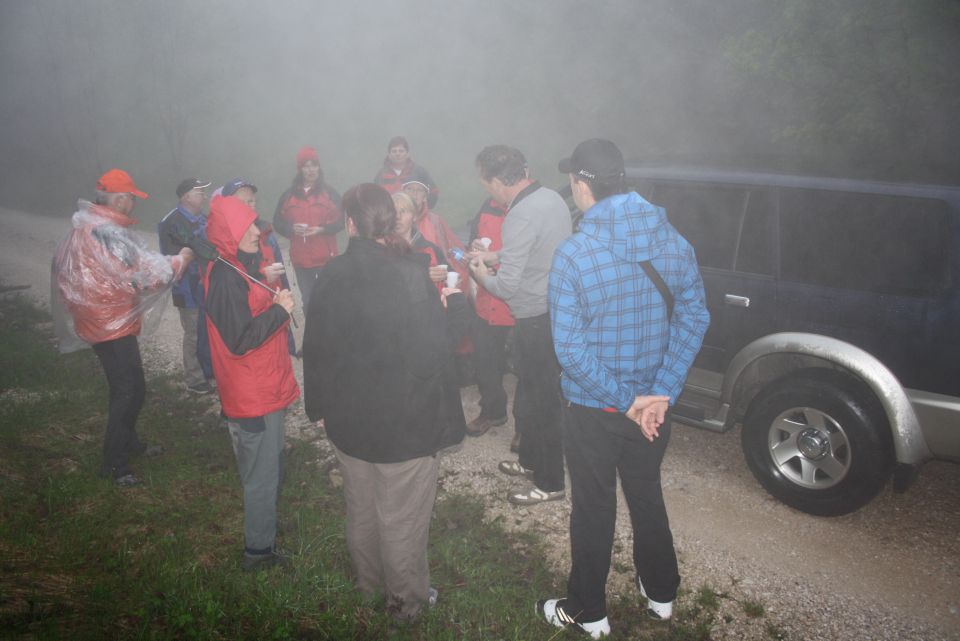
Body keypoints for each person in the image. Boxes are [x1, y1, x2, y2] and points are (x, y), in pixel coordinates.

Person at [538, 139, 710, 638]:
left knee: (593, 507)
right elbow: (695, 316)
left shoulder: (573, 254)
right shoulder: (673, 241)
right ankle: (662, 593)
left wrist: (631, 400)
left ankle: (588, 612)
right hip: (654, 408)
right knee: (646, 494)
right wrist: (660, 393)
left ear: (580, 185)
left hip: (596, 408)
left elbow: (570, 352)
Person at [302, 183, 469, 620]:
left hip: (349, 420)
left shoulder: (330, 273)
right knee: (400, 518)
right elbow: (429, 356)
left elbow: (315, 346)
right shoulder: (409, 273)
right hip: (403, 423)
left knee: (362, 507)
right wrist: (456, 310)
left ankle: (369, 586)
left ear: (351, 222)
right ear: (391, 223)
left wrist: (318, 408)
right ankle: (405, 604)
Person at [53, 169, 194, 486]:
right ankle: (114, 465)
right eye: (131, 197)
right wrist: (181, 259)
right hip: (110, 326)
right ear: (119, 198)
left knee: (132, 387)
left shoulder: (83, 227)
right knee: (127, 391)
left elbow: (63, 271)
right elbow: (144, 274)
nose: (133, 203)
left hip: (98, 320)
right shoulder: (106, 233)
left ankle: (128, 443)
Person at [468, 145, 570, 505]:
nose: (486, 190)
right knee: (529, 392)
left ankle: (551, 481)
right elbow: (533, 249)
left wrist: (479, 274)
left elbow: (506, 286)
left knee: (542, 402)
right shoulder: (550, 198)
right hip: (553, 308)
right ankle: (529, 460)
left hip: (535, 318)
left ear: (497, 180)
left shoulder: (519, 214)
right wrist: (493, 255)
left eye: (485, 182)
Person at [204, 193, 299, 572]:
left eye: (255, 223)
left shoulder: (238, 265)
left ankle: (266, 529)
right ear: (227, 232)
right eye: (246, 226)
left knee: (270, 464)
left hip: (264, 385)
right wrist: (280, 311)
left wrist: (267, 287)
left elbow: (249, 307)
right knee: (261, 474)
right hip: (251, 393)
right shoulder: (226, 276)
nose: (256, 231)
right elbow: (239, 338)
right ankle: (258, 553)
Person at [223, 177, 297, 356]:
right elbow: (231, 279)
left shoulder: (266, 233)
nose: (249, 205)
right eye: (242, 202)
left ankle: (289, 349)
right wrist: (262, 274)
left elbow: (282, 271)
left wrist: (287, 294)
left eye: (251, 201)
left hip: (277, 309)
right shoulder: (224, 240)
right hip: (254, 324)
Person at [464, 197, 515, 441]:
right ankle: (492, 412)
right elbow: (471, 243)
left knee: (527, 370)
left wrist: (499, 262)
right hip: (487, 300)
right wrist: (473, 248)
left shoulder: (528, 208)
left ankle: (526, 428)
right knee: (485, 363)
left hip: (518, 304)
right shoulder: (487, 205)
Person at [158, 177, 214, 394]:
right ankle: (194, 378)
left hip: (207, 284)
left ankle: (208, 370)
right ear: (186, 196)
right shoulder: (171, 222)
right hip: (187, 287)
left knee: (209, 329)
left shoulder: (204, 218)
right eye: (200, 191)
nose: (204, 195)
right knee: (193, 332)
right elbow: (171, 259)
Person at [272, 146, 344, 309]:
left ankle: (331, 333)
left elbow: (342, 222)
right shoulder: (288, 195)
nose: (311, 170)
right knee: (308, 300)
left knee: (330, 297)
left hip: (326, 257)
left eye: (314, 165)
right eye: (306, 166)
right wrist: (291, 229)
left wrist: (322, 229)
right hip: (300, 260)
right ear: (300, 169)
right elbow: (277, 222)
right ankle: (312, 334)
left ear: (319, 167)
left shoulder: (330, 193)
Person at [392, 191, 448, 289]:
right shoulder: (381, 248)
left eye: (403, 211)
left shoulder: (430, 249)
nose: (397, 217)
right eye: (393, 212)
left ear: (414, 216)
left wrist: (446, 277)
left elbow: (451, 278)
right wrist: (425, 276)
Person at [373, 135, 439, 208]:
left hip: (414, 217)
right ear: (389, 155)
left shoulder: (419, 172)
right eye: (394, 151)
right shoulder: (381, 175)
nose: (397, 154)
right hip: (388, 216)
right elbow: (375, 197)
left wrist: (421, 210)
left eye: (401, 151)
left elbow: (434, 192)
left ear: (407, 154)